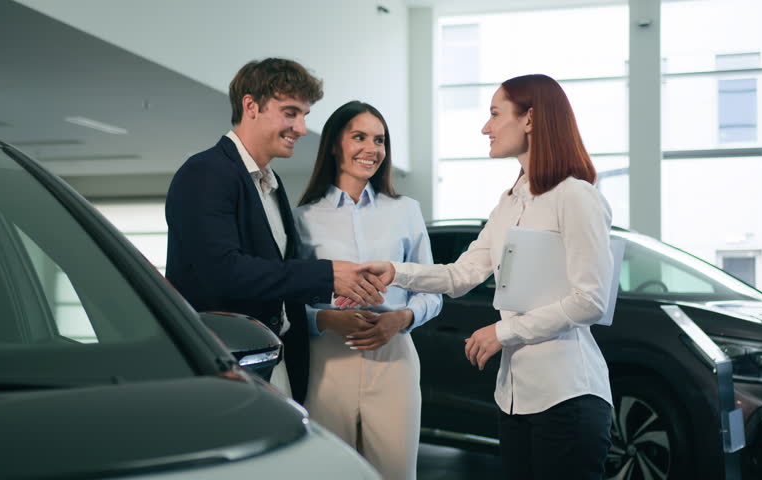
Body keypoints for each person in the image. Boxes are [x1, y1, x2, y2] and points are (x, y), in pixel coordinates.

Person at [361, 74, 615, 479]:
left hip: (569, 397)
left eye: (495, 114)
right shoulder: (509, 202)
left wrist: (503, 332)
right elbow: (462, 274)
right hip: (512, 399)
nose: (486, 127)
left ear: (530, 119)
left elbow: (591, 300)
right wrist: (395, 272)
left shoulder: (576, 196)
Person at [165, 59, 385, 405]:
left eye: (304, 116)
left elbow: (275, 271)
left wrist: (338, 292)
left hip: (273, 359)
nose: (300, 127)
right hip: (225, 368)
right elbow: (223, 272)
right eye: (290, 113)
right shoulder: (205, 173)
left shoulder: (271, 181)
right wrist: (327, 275)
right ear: (250, 106)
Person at [293, 101, 442, 480]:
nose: (371, 149)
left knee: (395, 473)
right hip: (326, 361)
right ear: (332, 145)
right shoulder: (303, 217)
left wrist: (402, 318)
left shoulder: (406, 210)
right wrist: (326, 318)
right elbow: (289, 299)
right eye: (359, 137)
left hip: (393, 358)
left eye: (379, 140)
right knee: (330, 473)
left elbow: (432, 291)